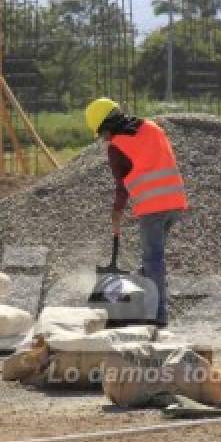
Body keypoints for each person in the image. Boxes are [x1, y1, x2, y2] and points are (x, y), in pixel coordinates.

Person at [84, 97, 189, 327]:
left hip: (153, 208)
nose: (105, 139)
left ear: (107, 126)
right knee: (152, 261)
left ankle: (158, 314)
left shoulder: (117, 147)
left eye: (103, 134)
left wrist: (117, 212)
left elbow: (122, 186)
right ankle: (141, 301)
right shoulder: (152, 128)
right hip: (176, 202)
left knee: (153, 260)